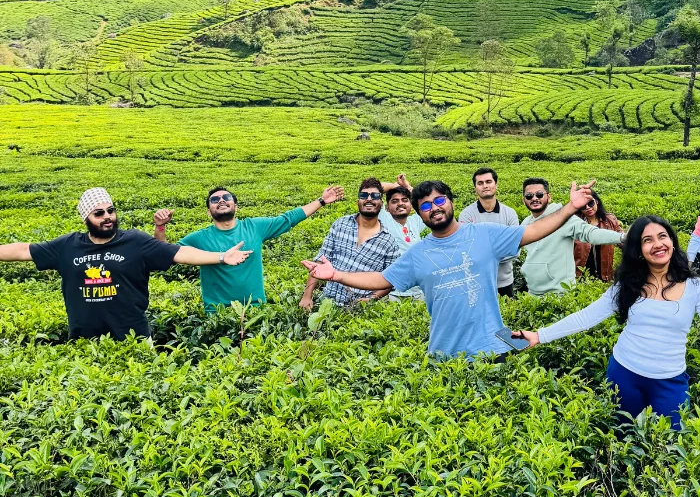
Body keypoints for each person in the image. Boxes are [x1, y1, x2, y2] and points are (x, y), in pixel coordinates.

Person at [513, 216, 700, 429]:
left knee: (671, 447)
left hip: (670, 381)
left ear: (672, 241)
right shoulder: (627, 284)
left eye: (663, 236)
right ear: (638, 250)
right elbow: (587, 316)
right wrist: (540, 335)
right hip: (624, 374)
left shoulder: (695, 287)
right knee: (622, 438)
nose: (658, 244)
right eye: (647, 240)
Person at [301, 178, 602, 359]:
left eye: (439, 200)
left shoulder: (485, 234)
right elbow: (382, 279)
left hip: (493, 348)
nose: (434, 208)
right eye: (425, 205)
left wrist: (570, 207)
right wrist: (336, 275)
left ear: (451, 202)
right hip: (443, 355)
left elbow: (534, 231)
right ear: (420, 214)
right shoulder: (417, 254)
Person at [0, 187, 252, 340]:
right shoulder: (67, 245)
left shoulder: (135, 241)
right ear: (86, 218)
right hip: (84, 340)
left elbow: (179, 253)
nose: (107, 217)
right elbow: (23, 250)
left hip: (134, 338)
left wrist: (221, 257)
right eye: (99, 213)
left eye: (110, 211)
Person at [153, 182, 345, 312]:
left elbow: (288, 219)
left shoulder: (254, 227)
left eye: (226, 197)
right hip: (217, 314)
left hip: (256, 310)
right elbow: (165, 255)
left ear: (236, 206)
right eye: (215, 200)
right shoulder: (200, 238)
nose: (221, 200)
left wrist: (321, 201)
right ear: (208, 212)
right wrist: (160, 227)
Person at [299, 178, 401, 310]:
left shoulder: (388, 242)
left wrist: (370, 299)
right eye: (364, 195)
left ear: (381, 202)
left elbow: (391, 280)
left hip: (359, 311)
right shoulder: (340, 224)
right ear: (358, 201)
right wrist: (307, 296)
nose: (369, 199)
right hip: (326, 303)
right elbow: (320, 260)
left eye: (375, 196)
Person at [520, 177, 625, 296]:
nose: (534, 198)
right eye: (529, 196)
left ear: (549, 197)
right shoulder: (525, 223)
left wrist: (622, 237)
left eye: (539, 194)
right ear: (524, 200)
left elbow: (590, 233)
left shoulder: (563, 219)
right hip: (532, 292)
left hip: (560, 293)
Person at [457, 168, 521, 297]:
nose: (485, 186)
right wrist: (501, 247)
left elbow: (515, 250)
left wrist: (484, 253)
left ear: (496, 184)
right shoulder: (466, 215)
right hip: (477, 282)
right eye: (480, 183)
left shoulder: (509, 213)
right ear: (475, 188)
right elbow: (468, 250)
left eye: (488, 181)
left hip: (505, 282)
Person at [378, 178, 426, 302]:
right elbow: (375, 189)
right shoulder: (384, 220)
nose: (400, 203)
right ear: (387, 207)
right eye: (395, 201)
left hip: (419, 290)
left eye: (405, 200)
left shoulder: (415, 221)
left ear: (411, 205)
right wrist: (394, 186)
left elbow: (424, 201)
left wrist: (408, 186)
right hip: (393, 292)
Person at [574, 190, 623, 282]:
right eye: (583, 206)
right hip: (580, 278)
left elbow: (622, 241)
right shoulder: (574, 223)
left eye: (590, 203)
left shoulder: (610, 220)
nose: (588, 208)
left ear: (596, 201)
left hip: (604, 277)